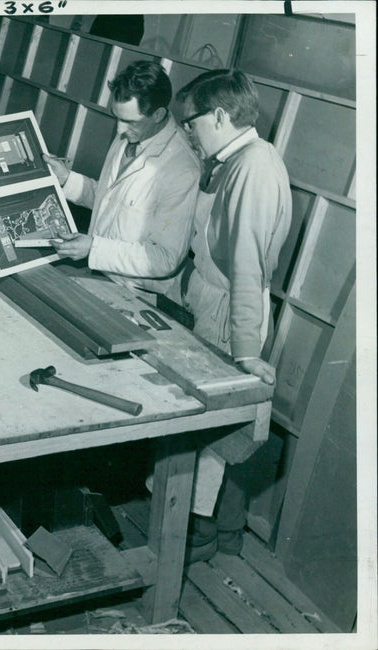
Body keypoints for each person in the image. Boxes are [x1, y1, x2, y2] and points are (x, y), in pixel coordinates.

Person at [173, 69, 292, 562]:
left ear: (220, 116)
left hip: (231, 312)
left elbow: (247, 265)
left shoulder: (254, 167)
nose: (188, 134)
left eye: (192, 124)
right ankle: (202, 529)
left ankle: (196, 536)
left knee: (211, 430)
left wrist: (244, 352)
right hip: (217, 301)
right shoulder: (236, 160)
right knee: (205, 427)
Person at [43, 60, 200, 298]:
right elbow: (113, 200)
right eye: (116, 117)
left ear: (158, 114)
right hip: (98, 275)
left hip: (136, 293)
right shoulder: (132, 134)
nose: (119, 130)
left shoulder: (182, 168)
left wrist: (94, 249)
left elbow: (165, 259)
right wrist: (66, 179)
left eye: (129, 121)